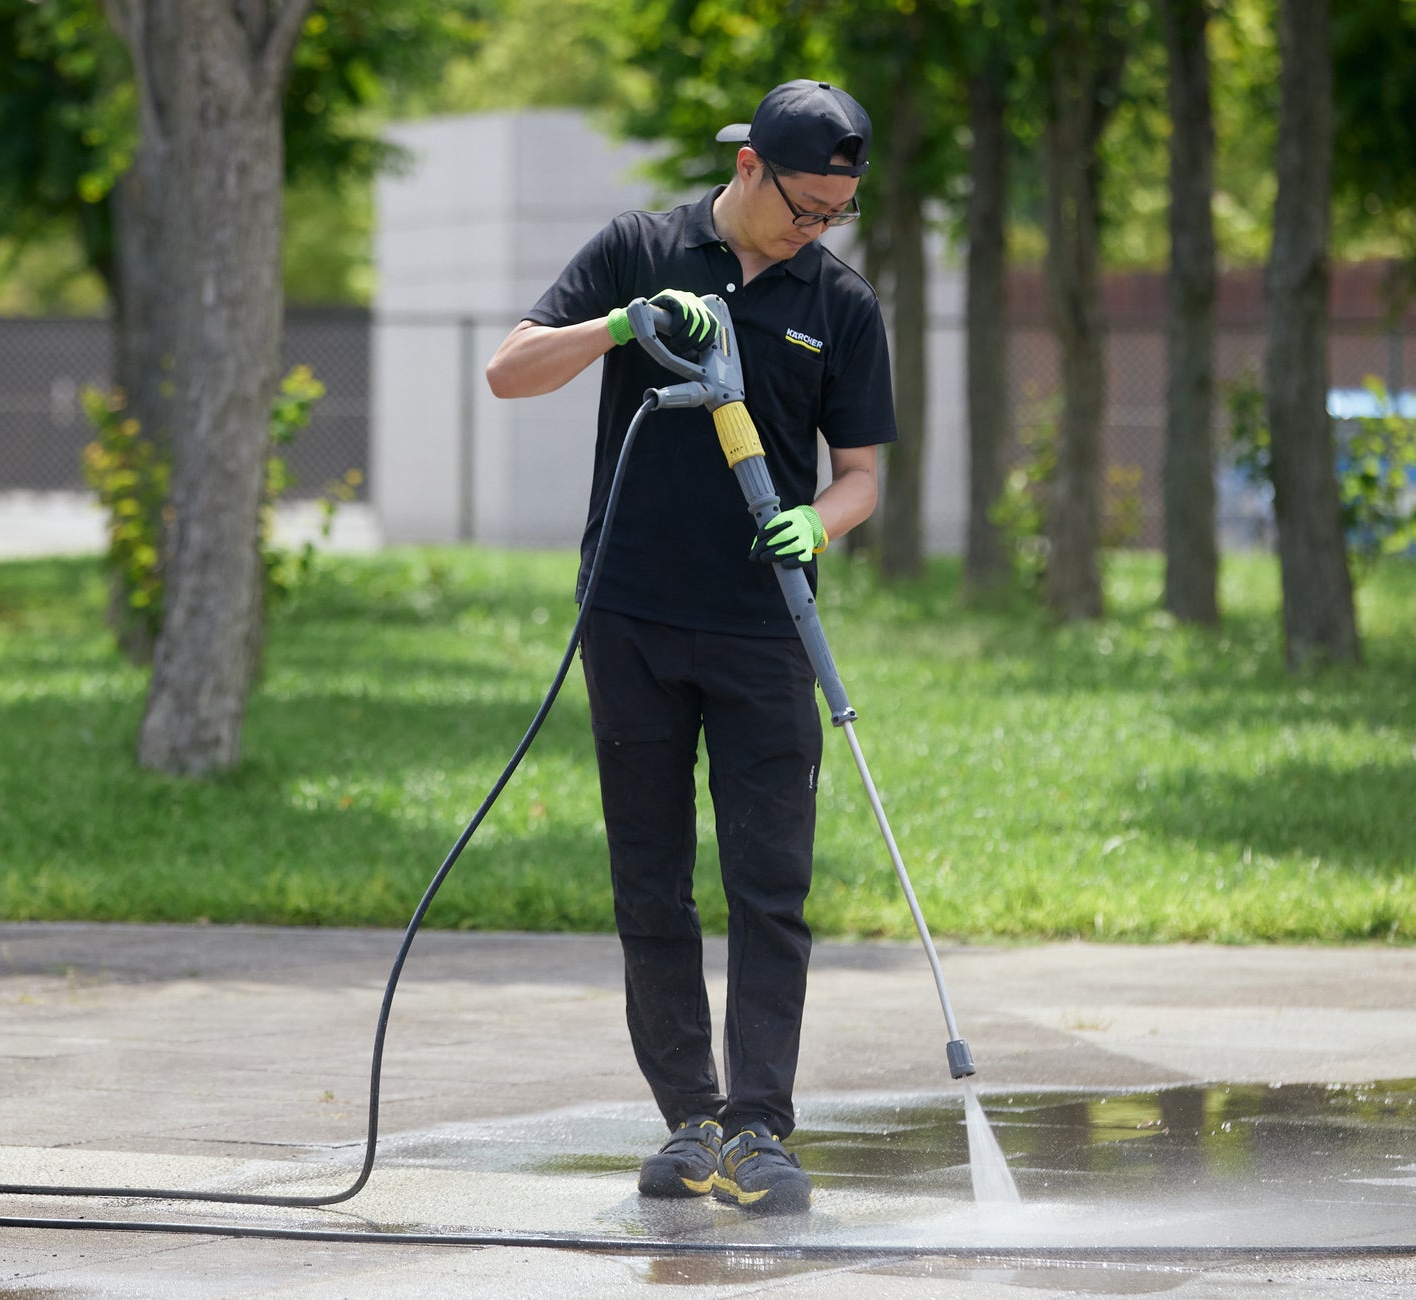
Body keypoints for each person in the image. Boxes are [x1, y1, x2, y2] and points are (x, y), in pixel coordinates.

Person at [484, 79, 897, 1216]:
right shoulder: (637, 248)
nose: (816, 229)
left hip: (769, 630)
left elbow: (860, 474)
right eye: (804, 206)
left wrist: (824, 518)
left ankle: (761, 1128)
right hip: (632, 618)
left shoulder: (841, 302)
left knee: (772, 885)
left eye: (836, 214)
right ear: (751, 166)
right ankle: (688, 1120)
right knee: (651, 883)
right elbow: (508, 369)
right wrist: (624, 326)